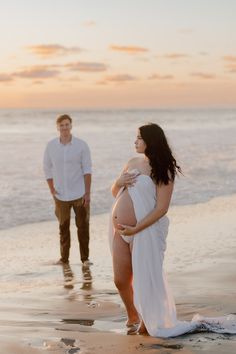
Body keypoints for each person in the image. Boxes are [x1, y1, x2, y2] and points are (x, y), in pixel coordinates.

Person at [110, 122, 236, 337]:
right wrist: (118, 181)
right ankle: (132, 315)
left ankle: (146, 322)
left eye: (139, 137)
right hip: (120, 230)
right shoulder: (132, 162)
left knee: (145, 278)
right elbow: (115, 193)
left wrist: (136, 229)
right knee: (120, 279)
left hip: (143, 230)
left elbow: (161, 209)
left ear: (150, 141)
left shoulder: (163, 169)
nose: (135, 141)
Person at [43, 114, 92, 266]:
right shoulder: (51, 146)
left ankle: (85, 259)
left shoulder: (81, 145)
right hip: (60, 195)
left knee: (83, 227)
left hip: (79, 194)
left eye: (66, 124)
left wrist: (87, 193)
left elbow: (87, 170)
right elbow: (46, 168)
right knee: (63, 228)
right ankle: (64, 259)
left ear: (71, 126)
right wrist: (51, 189)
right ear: (57, 127)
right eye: (61, 125)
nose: (64, 127)